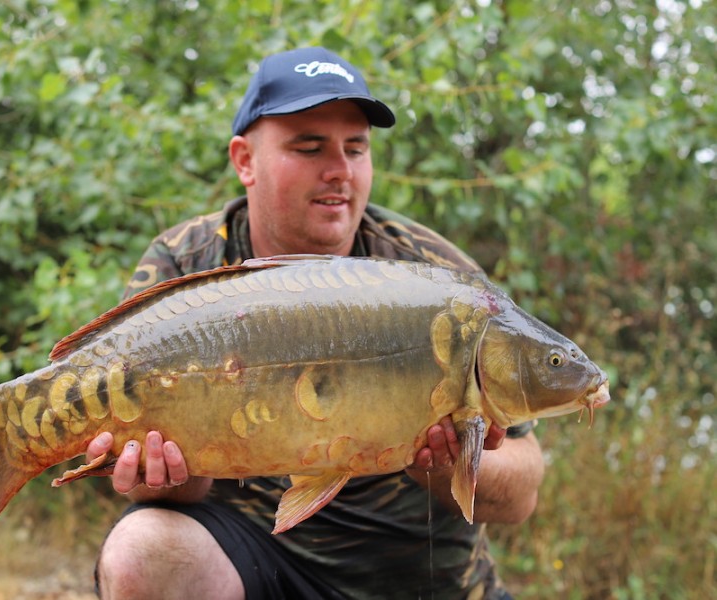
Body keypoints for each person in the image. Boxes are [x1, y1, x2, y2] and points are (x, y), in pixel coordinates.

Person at [86, 46, 545, 599]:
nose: (340, 171)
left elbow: (521, 495)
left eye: (356, 148)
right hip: (255, 558)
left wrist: (439, 465)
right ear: (244, 160)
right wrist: (176, 474)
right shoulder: (188, 265)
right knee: (142, 551)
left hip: (420, 574)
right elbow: (141, 478)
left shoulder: (435, 280)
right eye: (309, 147)